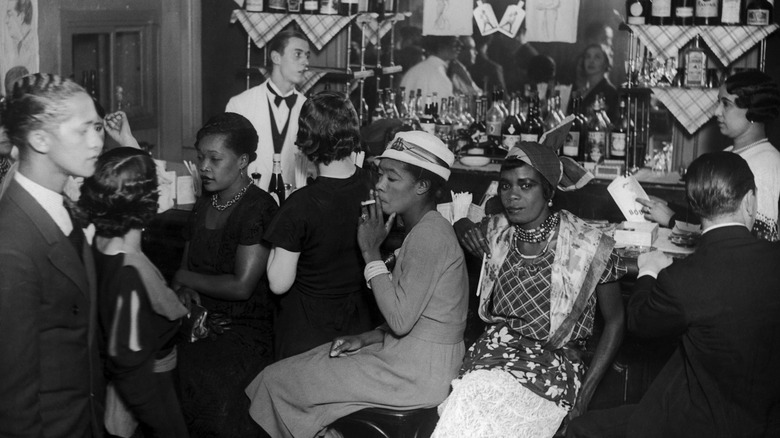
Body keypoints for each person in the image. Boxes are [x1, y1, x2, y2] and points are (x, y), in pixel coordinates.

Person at [246, 130, 468, 438]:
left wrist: (370, 252)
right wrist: (365, 338)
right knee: (308, 365)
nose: (379, 185)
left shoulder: (429, 236)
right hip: (417, 362)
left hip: (414, 373)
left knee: (276, 380)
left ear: (422, 186)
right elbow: (420, 316)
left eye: (392, 179)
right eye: (380, 175)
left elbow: (402, 320)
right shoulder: (429, 228)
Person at [568, 152, 780, 438]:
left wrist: (648, 271)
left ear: (695, 207)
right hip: (766, 419)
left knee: (581, 430)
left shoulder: (682, 279)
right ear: (750, 201)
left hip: (703, 423)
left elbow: (639, 321)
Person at [433, 141, 626, 437]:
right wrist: (461, 225)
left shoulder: (587, 245)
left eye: (526, 185)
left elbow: (615, 322)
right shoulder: (495, 232)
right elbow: (451, 222)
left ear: (548, 192)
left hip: (553, 367)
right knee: (468, 406)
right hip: (494, 358)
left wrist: (584, 399)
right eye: (506, 186)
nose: (512, 196)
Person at [0, 73, 105, 436]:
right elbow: (13, 398)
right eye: (82, 131)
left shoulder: (60, 208)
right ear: (40, 139)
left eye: (98, 127)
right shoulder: (11, 246)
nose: (96, 142)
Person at [173, 112, 278, 437]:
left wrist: (184, 279)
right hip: (198, 322)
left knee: (210, 399)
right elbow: (185, 269)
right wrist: (182, 289)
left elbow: (241, 286)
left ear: (243, 160)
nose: (204, 166)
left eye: (215, 159)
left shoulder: (259, 209)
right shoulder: (206, 202)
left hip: (241, 332)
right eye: (200, 157)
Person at [78, 147, 189, 437]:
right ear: (146, 199)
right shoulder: (127, 274)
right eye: (157, 182)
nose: (164, 184)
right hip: (149, 392)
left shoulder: (102, 242)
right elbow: (134, 378)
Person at [264, 91, 376, 359]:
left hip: (309, 334)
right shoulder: (374, 185)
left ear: (305, 141)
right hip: (359, 328)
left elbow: (278, 284)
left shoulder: (300, 205)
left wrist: (277, 235)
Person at [639, 70, 780, 242]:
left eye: (726, 104)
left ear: (753, 110)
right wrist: (667, 206)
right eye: (718, 103)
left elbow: (752, 242)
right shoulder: (729, 154)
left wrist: (671, 219)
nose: (717, 112)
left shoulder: (766, 165)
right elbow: (714, 218)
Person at [226, 29, 311, 192]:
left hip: (293, 203)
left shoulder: (309, 108)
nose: (305, 62)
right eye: (298, 54)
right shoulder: (239, 104)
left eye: (307, 56)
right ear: (276, 57)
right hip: (250, 201)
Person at [400, 36, 462, 100]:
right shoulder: (439, 75)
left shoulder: (413, 71)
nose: (460, 46)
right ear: (441, 46)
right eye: (455, 42)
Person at [572, 44, 618, 122]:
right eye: (588, 56)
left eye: (597, 57)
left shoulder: (610, 92)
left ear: (606, 62)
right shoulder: (581, 90)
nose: (591, 61)